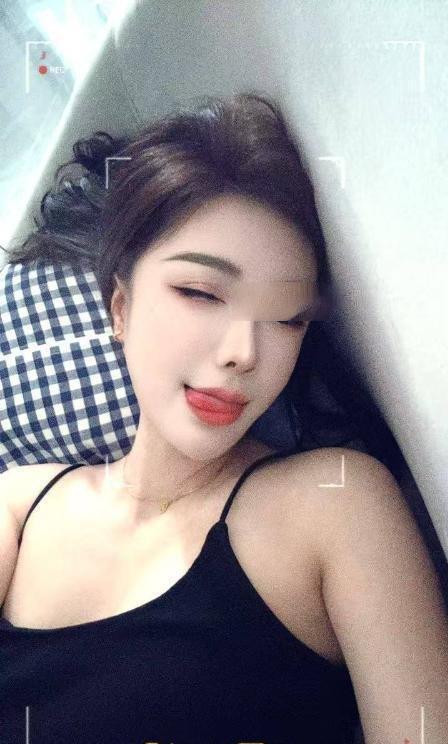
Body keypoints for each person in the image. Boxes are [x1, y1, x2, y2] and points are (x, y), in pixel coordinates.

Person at [1, 92, 447, 744]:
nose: (244, 352)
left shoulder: (334, 500)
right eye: (200, 292)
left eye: (285, 317)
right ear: (121, 307)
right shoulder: (19, 506)